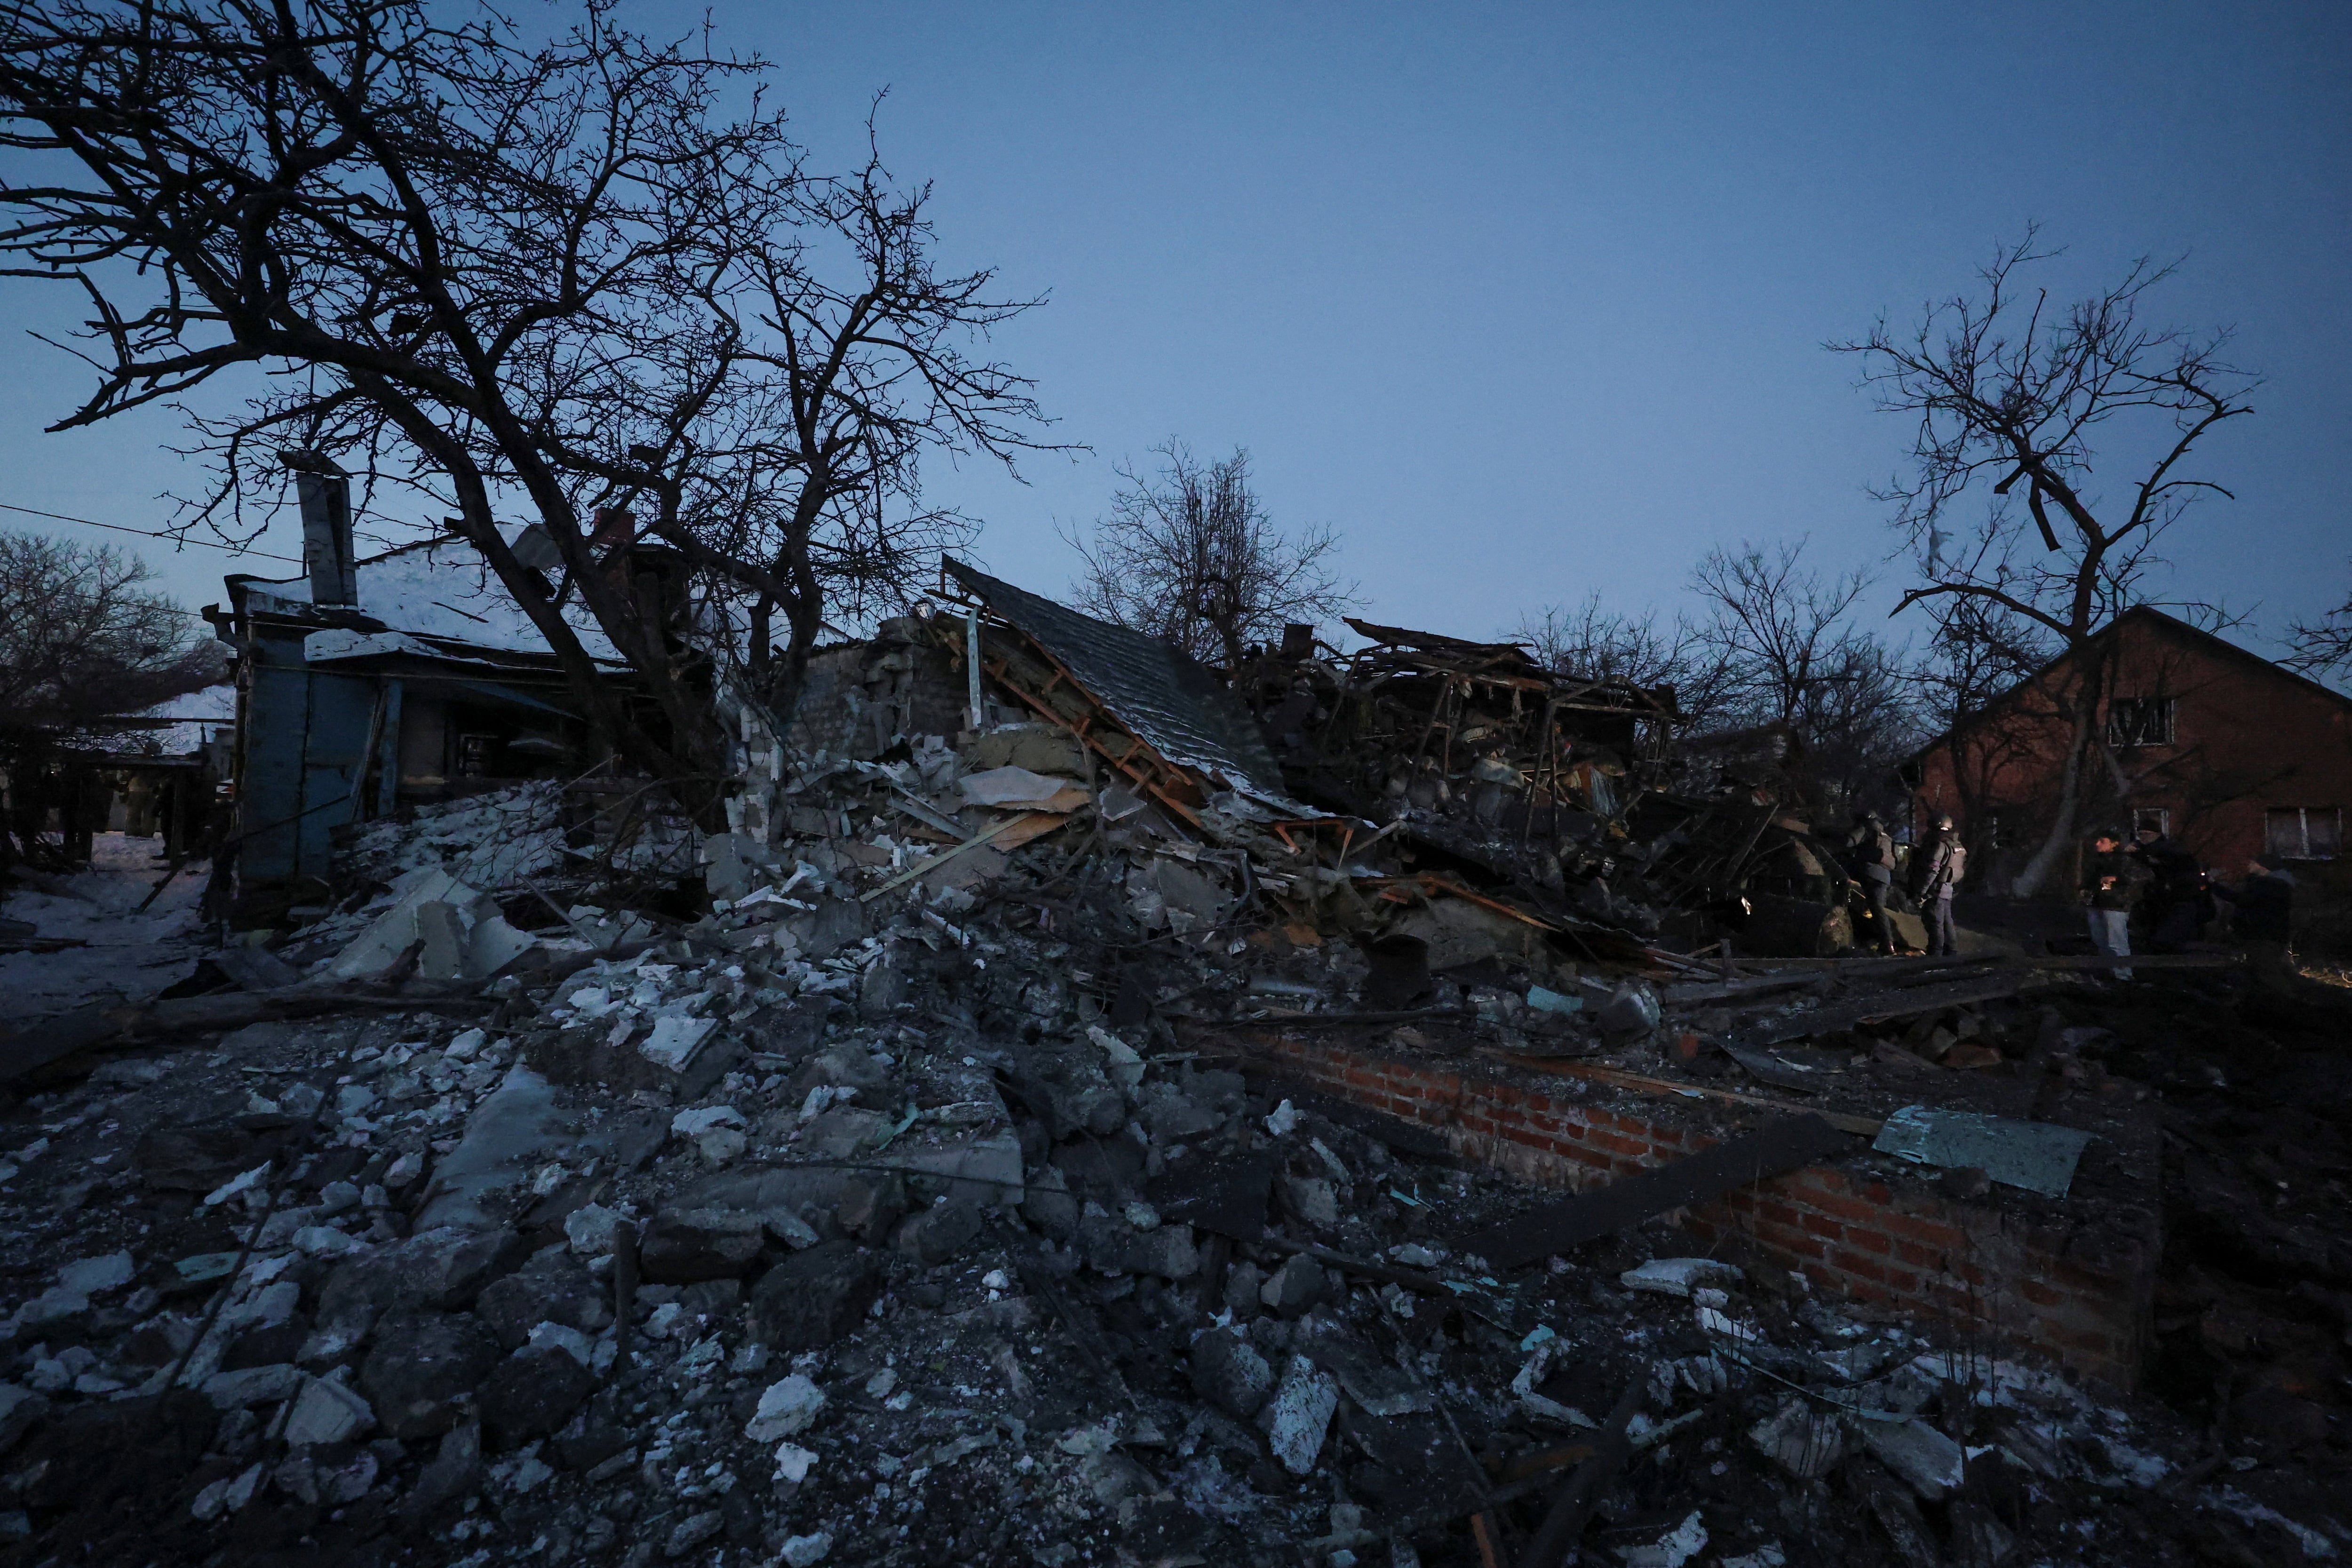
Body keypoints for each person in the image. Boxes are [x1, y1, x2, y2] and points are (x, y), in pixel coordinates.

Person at [2217, 852, 2296, 987]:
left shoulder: (2269, 885)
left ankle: (2283, 1000)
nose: (2250, 865)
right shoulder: (2272, 884)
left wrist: (2214, 887)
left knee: (2267, 972)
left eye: (2254, 863)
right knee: (2262, 971)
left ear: (2264, 867)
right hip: (2265, 936)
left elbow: (2243, 901)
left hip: (2264, 936)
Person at [2130, 824, 2208, 951]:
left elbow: (2158, 854)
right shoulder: (2158, 852)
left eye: (2146, 834)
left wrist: (2138, 850)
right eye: (2141, 834)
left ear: (2157, 834)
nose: (2143, 837)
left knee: (2169, 939)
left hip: (2182, 899)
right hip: (2166, 901)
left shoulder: (2169, 849)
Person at [2081, 828, 2138, 979]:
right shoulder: (2096, 861)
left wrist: (2117, 880)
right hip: (2097, 904)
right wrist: (2085, 889)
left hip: (2116, 905)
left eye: (2102, 841)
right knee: (2101, 940)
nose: (2098, 844)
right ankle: (2109, 972)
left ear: (2114, 844)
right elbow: (2090, 881)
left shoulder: (2124, 860)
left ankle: (2124, 975)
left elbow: (2142, 876)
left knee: (2116, 941)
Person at [1911, 814, 1967, 957]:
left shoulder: (1939, 845)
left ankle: (1934, 958)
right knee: (1947, 925)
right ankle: (1951, 956)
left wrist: (1922, 892)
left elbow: (1932, 870)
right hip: (1948, 890)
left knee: (1935, 925)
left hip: (1935, 891)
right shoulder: (1956, 844)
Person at [1845, 811, 1900, 955]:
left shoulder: (1866, 828)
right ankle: (1885, 943)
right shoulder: (1885, 835)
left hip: (1869, 872)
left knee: (1874, 908)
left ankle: (1886, 944)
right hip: (1885, 877)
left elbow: (1848, 842)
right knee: (1876, 909)